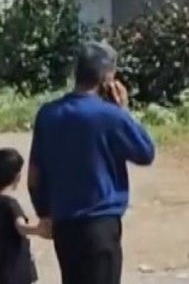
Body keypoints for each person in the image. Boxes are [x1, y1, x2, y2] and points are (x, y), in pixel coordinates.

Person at [28, 41, 156, 284]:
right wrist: (124, 111)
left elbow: (35, 175)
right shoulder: (110, 115)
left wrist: (44, 213)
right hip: (100, 225)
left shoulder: (48, 113)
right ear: (107, 78)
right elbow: (145, 152)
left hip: (64, 227)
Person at [0, 148, 46, 284]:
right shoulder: (10, 204)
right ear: (18, 177)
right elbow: (21, 227)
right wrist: (41, 229)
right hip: (13, 270)